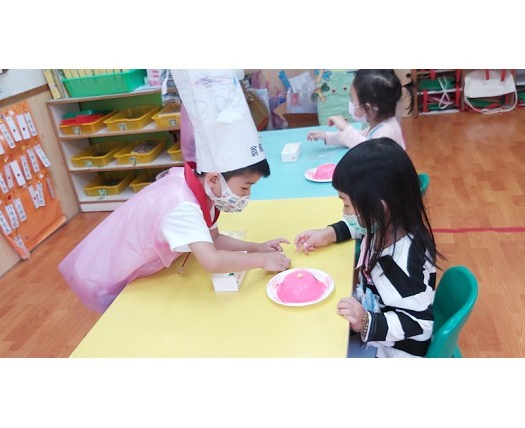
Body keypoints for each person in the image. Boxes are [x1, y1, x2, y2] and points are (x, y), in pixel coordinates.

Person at [59, 70, 292, 313]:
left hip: (140, 262)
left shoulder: (202, 187)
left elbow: (214, 239)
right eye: (245, 187)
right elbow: (212, 260)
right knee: (125, 314)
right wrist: (262, 260)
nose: (246, 196)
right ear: (215, 178)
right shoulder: (181, 204)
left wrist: (256, 247)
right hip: (110, 272)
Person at [302, 138, 440, 357]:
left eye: (347, 204)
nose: (344, 212)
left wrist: (366, 322)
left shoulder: (399, 265)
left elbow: (420, 323)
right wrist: (328, 234)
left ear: (378, 207)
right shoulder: (388, 223)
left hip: (395, 350)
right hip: (374, 311)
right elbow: (359, 228)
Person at [306, 69, 405, 150]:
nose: (351, 103)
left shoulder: (386, 132)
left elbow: (368, 151)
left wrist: (346, 128)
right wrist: (327, 136)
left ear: (367, 107)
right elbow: (357, 138)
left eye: (352, 100)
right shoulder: (378, 124)